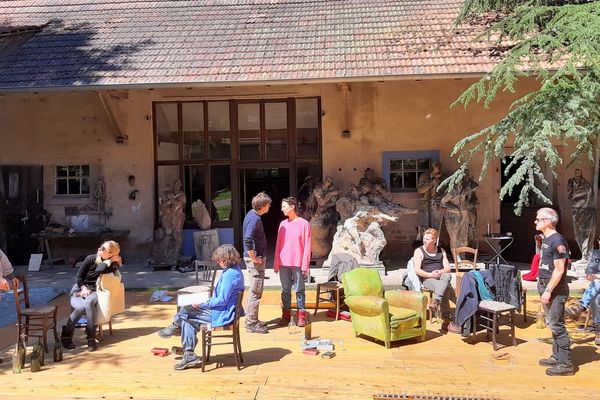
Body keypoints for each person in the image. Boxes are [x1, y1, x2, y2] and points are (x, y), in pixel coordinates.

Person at [158, 244, 245, 370]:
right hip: (221, 310)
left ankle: (176, 327)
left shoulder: (230, 275)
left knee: (186, 310)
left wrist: (202, 304)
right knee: (188, 320)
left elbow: (222, 300)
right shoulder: (234, 271)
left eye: (218, 260)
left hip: (222, 315)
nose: (217, 262)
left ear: (225, 259)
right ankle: (188, 354)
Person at [61, 241, 122, 352]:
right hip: (79, 288)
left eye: (103, 248)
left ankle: (91, 337)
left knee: (89, 303)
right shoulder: (90, 258)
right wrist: (83, 288)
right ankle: (66, 336)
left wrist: (110, 260)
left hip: (95, 291)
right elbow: (78, 277)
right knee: (80, 307)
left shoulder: (113, 264)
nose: (99, 248)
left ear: (110, 253)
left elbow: (100, 269)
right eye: (100, 246)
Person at [535, 207, 574, 376]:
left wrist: (548, 290)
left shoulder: (558, 241)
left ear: (548, 221)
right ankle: (557, 356)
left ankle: (566, 364)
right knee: (553, 324)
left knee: (558, 326)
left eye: (538, 219)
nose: (535, 222)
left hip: (555, 290)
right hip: (545, 285)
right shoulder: (546, 239)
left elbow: (559, 270)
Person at [412, 228, 459, 333]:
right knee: (445, 289)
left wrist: (440, 271)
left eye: (428, 239)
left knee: (447, 276)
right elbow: (417, 270)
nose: (424, 241)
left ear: (434, 240)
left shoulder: (441, 251)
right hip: (428, 279)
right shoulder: (419, 251)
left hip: (441, 277)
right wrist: (430, 274)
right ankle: (447, 320)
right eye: (424, 239)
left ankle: (436, 301)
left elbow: (447, 268)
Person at [274, 197, 312, 327]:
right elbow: (278, 244)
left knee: (300, 290)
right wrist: (276, 263)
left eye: (284, 206)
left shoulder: (304, 224)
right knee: (285, 290)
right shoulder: (282, 224)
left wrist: (305, 265)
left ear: (292, 207)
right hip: (283, 262)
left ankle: (301, 315)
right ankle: (286, 315)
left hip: (298, 262)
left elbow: (307, 245)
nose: (282, 209)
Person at [242, 192, 271, 334]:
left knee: (256, 289)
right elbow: (248, 239)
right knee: (256, 290)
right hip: (255, 260)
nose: (269, 207)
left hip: (256, 258)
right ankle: (251, 323)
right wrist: (254, 258)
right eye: (268, 205)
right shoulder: (254, 219)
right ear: (263, 206)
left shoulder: (252, 215)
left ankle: (253, 318)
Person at [565, 237, 600, 346]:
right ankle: (598, 329)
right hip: (597, 288)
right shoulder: (595, 254)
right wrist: (590, 275)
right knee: (595, 298)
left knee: (597, 284)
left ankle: (581, 306)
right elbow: (589, 270)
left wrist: (597, 276)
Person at [567, 169, 596, 265]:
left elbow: (589, 195)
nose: (577, 178)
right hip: (576, 211)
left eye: (579, 176)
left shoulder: (586, 184)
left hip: (586, 212)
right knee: (577, 235)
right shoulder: (571, 182)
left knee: (586, 234)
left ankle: (586, 256)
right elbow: (570, 195)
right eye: (576, 176)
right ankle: (585, 256)